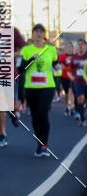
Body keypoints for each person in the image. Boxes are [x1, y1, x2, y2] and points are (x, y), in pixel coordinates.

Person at [18, 24, 59, 156]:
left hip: (47, 87)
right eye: (36, 31)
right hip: (31, 87)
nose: (39, 34)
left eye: (41, 31)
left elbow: (55, 64)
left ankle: (44, 145)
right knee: (35, 117)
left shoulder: (51, 50)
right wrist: (31, 59)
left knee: (43, 113)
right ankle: (39, 144)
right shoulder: (26, 50)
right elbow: (20, 69)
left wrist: (59, 67)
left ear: (44, 35)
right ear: (32, 34)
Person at [0, 26, 26, 147]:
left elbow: (25, 48)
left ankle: (13, 113)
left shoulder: (13, 31)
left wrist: (13, 53)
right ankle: (2, 134)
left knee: (12, 105)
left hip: (10, 74)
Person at [70, 38, 87, 125]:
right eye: (79, 44)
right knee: (79, 99)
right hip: (78, 82)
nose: (80, 46)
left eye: (82, 44)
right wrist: (71, 76)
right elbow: (69, 69)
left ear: (86, 46)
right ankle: (83, 119)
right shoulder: (74, 57)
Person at [59, 41, 75, 116]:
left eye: (71, 47)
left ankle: (72, 107)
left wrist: (69, 68)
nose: (69, 48)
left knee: (71, 92)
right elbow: (61, 65)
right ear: (66, 48)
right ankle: (67, 107)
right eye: (68, 47)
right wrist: (68, 68)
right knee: (66, 94)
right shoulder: (63, 56)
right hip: (64, 76)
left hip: (72, 78)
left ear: (73, 48)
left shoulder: (75, 56)